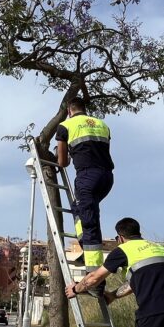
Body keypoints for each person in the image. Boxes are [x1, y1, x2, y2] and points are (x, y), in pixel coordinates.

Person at [56, 97, 114, 289]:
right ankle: (84, 243)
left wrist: (61, 151)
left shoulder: (65, 126)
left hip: (87, 177)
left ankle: (94, 280)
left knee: (89, 225)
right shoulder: (102, 124)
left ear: (68, 111)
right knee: (78, 208)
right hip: (106, 177)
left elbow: (63, 163)